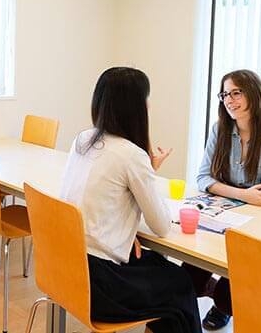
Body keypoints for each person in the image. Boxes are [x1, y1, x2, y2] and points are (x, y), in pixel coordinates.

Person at [60, 67, 202, 333]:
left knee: (159, 266)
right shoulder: (131, 155)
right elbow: (160, 226)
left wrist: (126, 229)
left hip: (67, 265)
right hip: (99, 282)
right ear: (135, 107)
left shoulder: (83, 139)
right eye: (146, 99)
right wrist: (146, 167)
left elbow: (98, 195)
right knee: (180, 283)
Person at [185, 69, 261, 330]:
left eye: (236, 92)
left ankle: (223, 302)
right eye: (225, 94)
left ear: (253, 93)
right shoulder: (220, 128)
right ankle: (204, 299)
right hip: (226, 214)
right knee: (188, 274)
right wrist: (243, 194)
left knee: (232, 287)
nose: (229, 100)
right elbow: (202, 178)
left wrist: (223, 189)